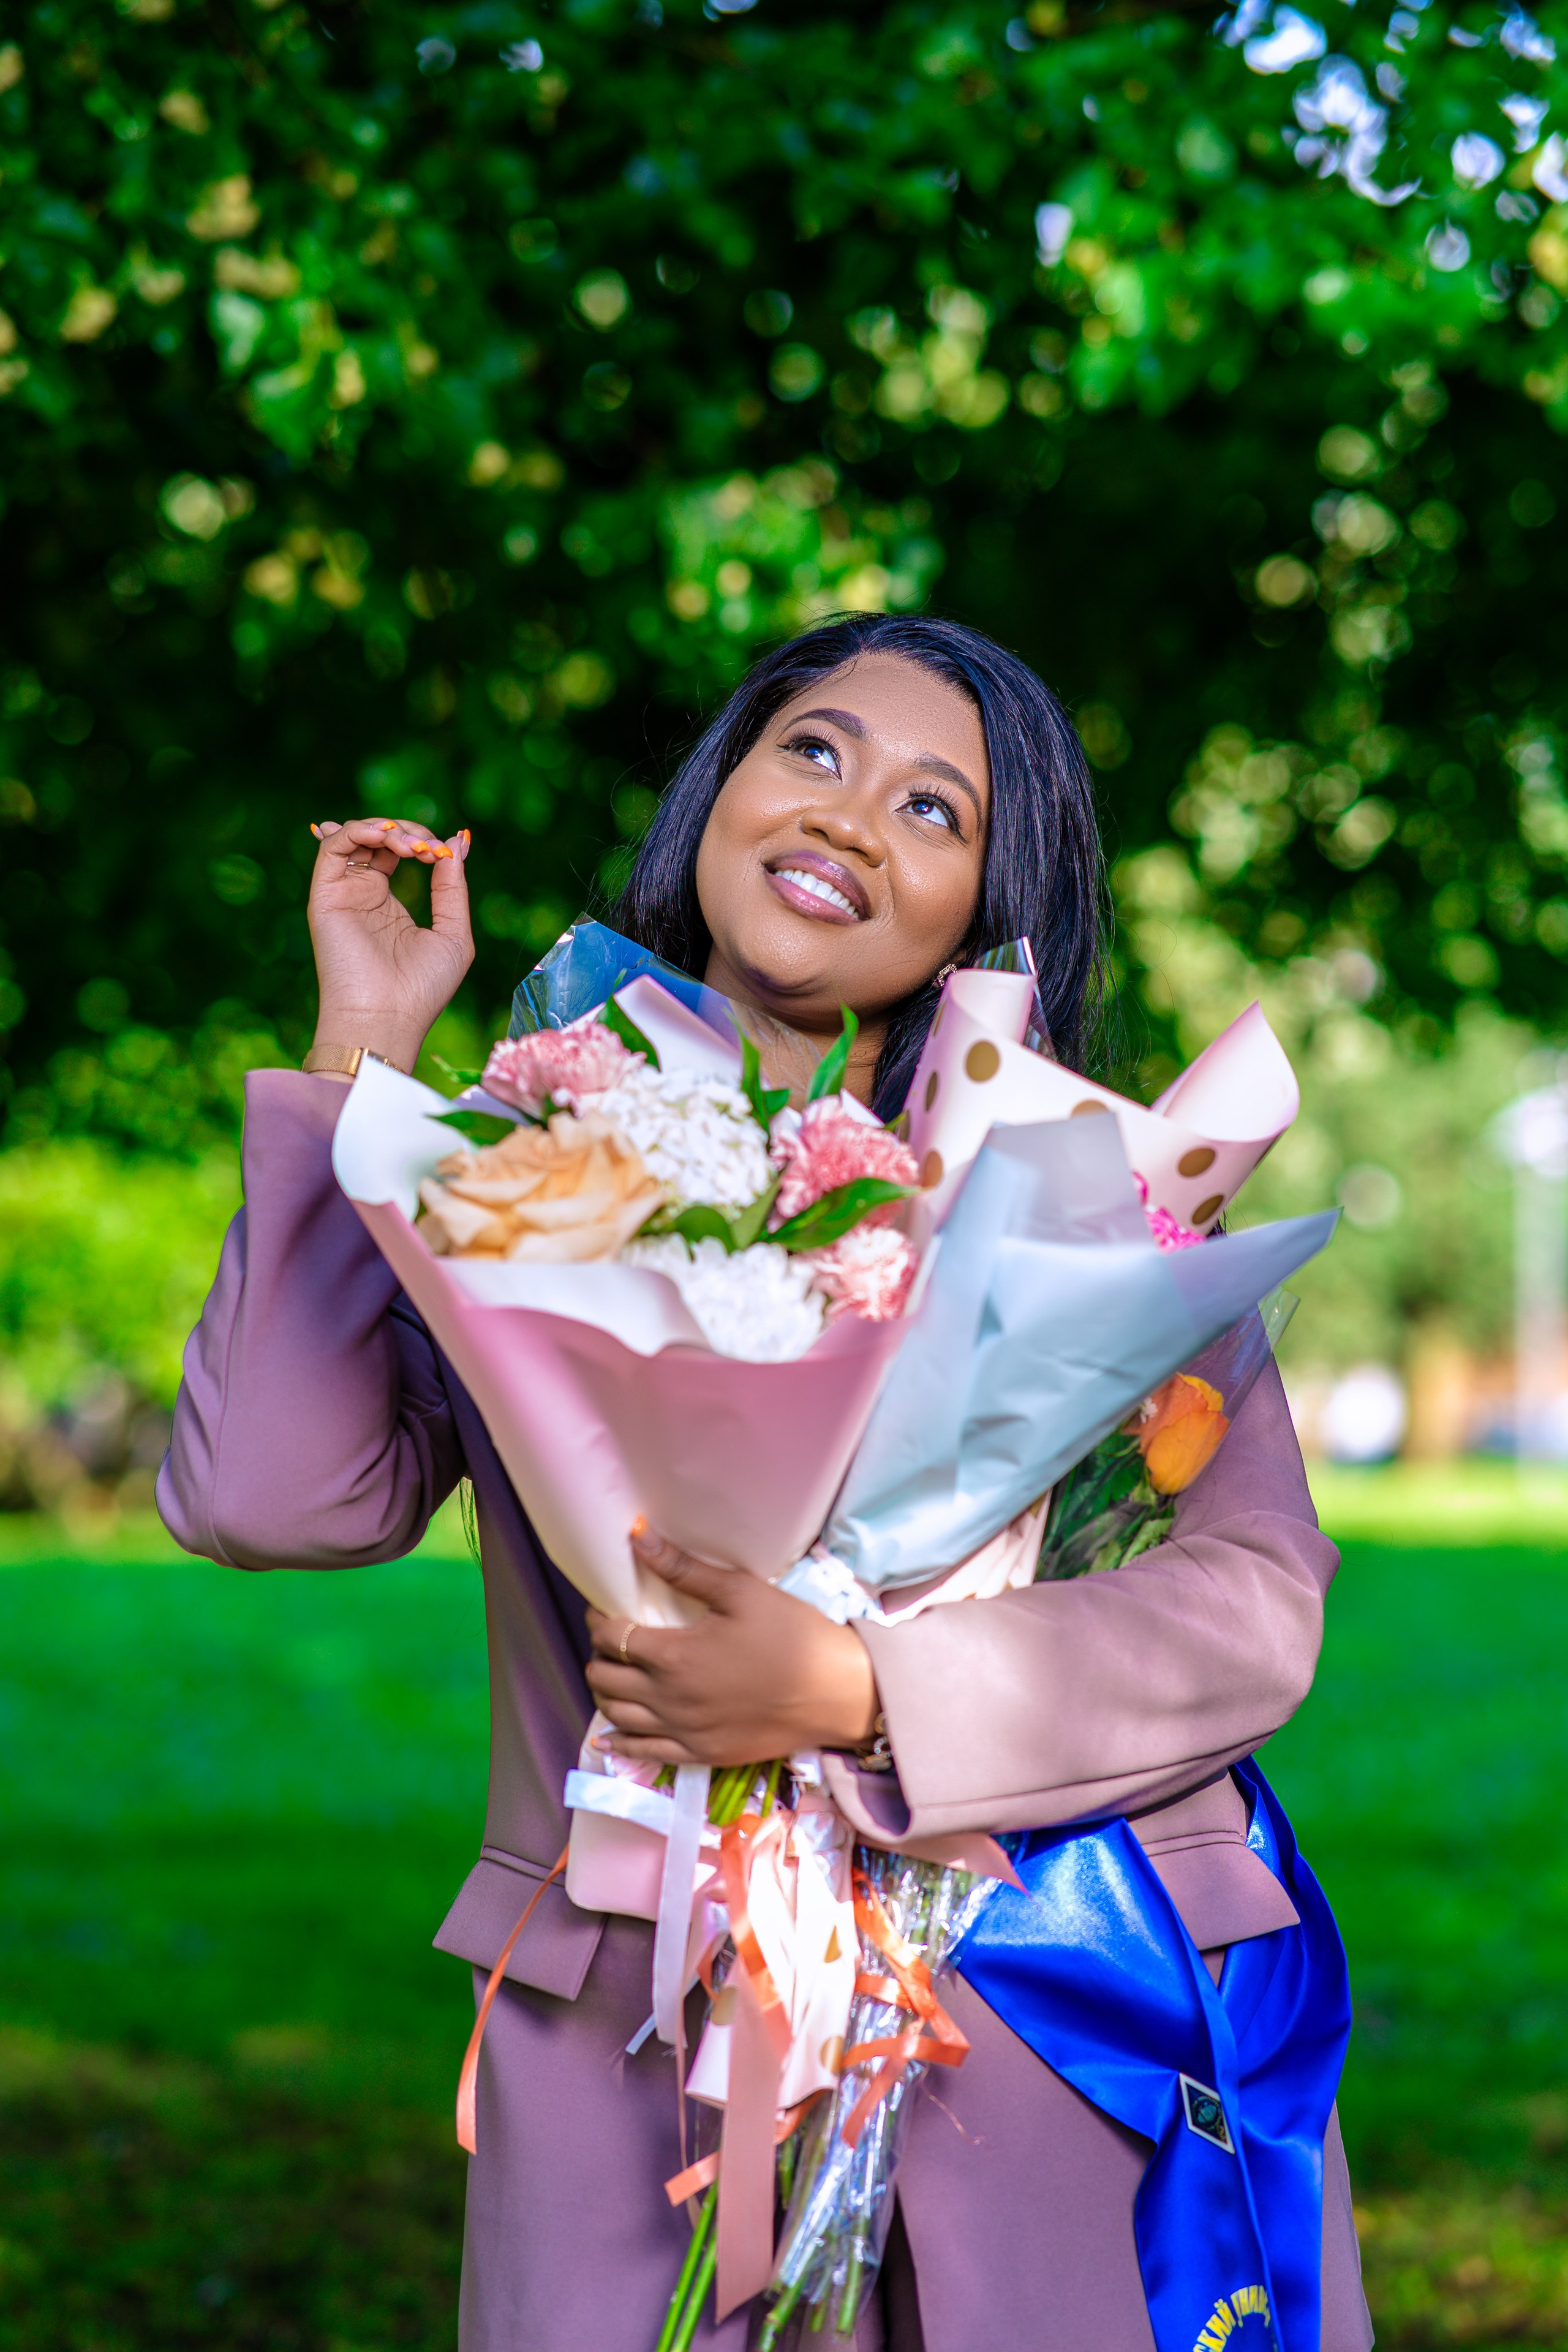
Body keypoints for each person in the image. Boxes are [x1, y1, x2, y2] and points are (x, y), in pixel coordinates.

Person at [158, 613, 1371, 2352]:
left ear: (990, 900)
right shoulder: (535, 1171)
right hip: (634, 2044)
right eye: (813, 750)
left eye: (933, 807)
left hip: (1059, 2045)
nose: (852, 817)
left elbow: (1251, 1607)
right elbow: (277, 1500)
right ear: (721, 787)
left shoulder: (1098, 1211)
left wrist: (858, 1688)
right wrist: (362, 1057)